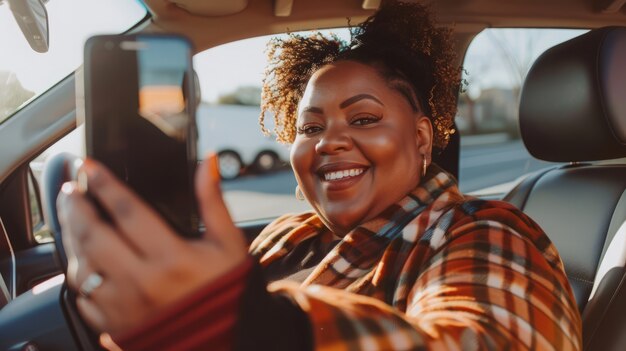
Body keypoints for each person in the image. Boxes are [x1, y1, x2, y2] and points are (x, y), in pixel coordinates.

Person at [57, 1, 582, 350]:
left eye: (364, 119)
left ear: (421, 138)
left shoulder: (485, 230)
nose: (329, 141)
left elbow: (483, 338)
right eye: (310, 127)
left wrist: (239, 324)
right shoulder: (291, 231)